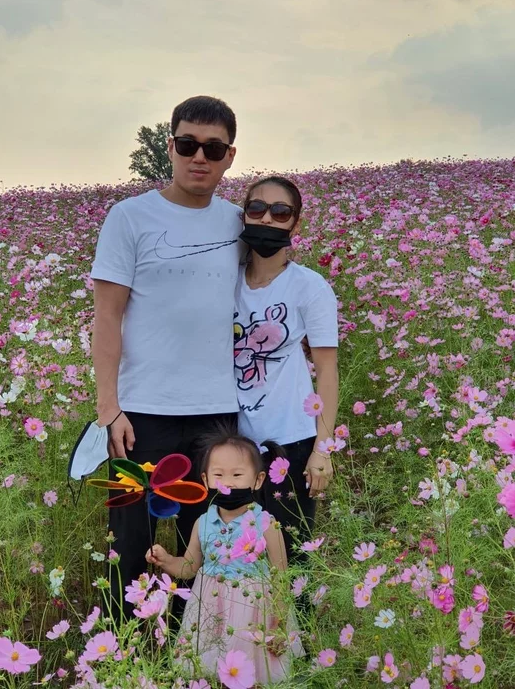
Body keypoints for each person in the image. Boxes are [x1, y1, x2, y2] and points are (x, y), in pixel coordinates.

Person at [90, 95, 242, 621]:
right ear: (171, 146)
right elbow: (107, 317)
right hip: (139, 413)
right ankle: (123, 648)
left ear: (229, 156)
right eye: (187, 144)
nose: (199, 157)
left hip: (215, 415)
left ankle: (194, 646)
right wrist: (109, 409)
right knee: (128, 539)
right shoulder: (129, 217)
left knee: (205, 539)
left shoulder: (239, 223)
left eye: (213, 148)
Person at [233, 176, 339, 562]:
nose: (267, 218)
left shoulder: (309, 287)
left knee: (290, 559)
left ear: (296, 222)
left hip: (290, 441)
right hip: (231, 444)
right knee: (234, 556)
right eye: (257, 208)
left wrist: (322, 450)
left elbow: (327, 371)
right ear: (244, 215)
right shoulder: (225, 281)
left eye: (280, 212)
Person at [146, 429, 304, 685]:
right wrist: (165, 560)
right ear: (205, 479)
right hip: (210, 612)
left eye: (237, 475)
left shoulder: (266, 524)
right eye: (218, 475)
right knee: (209, 671)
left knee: (252, 673)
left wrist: (279, 624)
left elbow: (281, 577)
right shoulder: (203, 522)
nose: (227, 483)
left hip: (254, 614)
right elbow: (189, 567)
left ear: (258, 480)